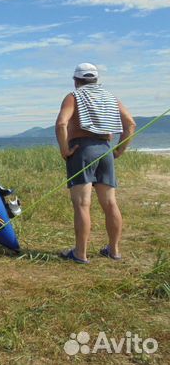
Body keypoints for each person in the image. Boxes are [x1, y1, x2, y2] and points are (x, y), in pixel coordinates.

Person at [55, 63, 136, 263]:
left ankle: (80, 254)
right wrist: (119, 149)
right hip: (105, 149)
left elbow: (61, 123)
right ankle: (114, 250)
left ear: (76, 81)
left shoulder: (74, 96)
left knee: (82, 204)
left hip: (82, 150)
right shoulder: (110, 97)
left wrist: (64, 149)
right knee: (110, 203)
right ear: (96, 80)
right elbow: (130, 124)